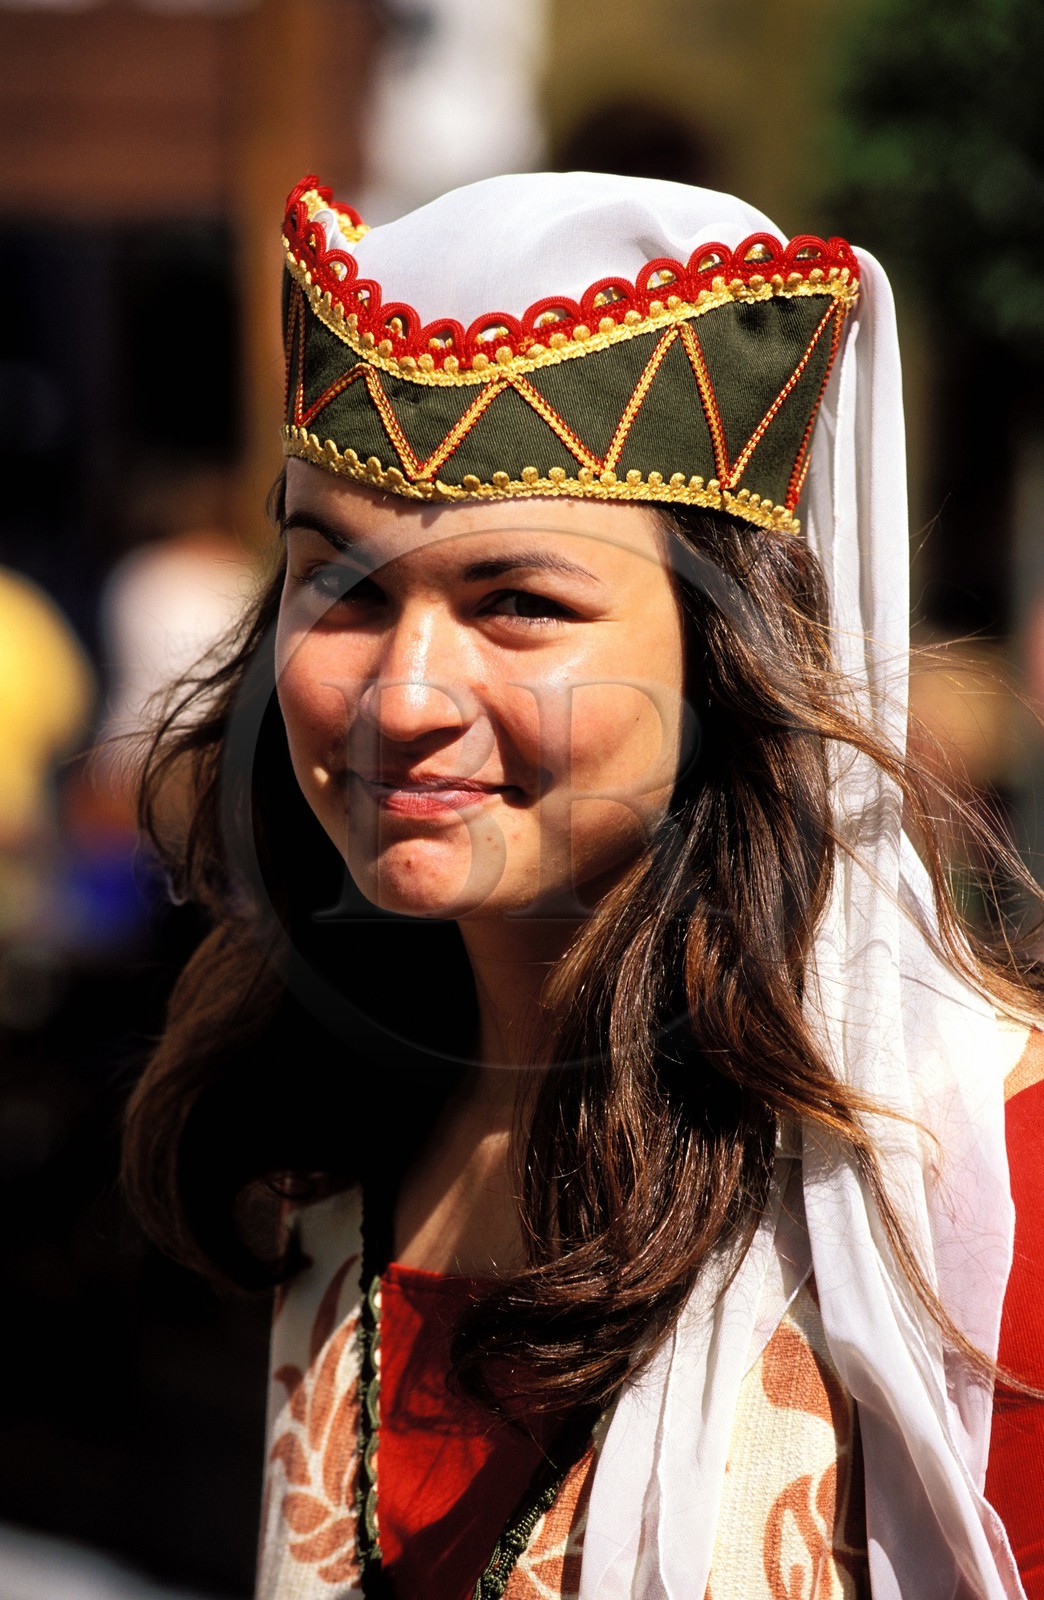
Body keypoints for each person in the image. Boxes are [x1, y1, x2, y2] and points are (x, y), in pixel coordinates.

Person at [123, 172, 1044, 1599]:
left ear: (732, 658)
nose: (404, 695)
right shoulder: (308, 1129)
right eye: (343, 588)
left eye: (520, 605)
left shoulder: (982, 1196)